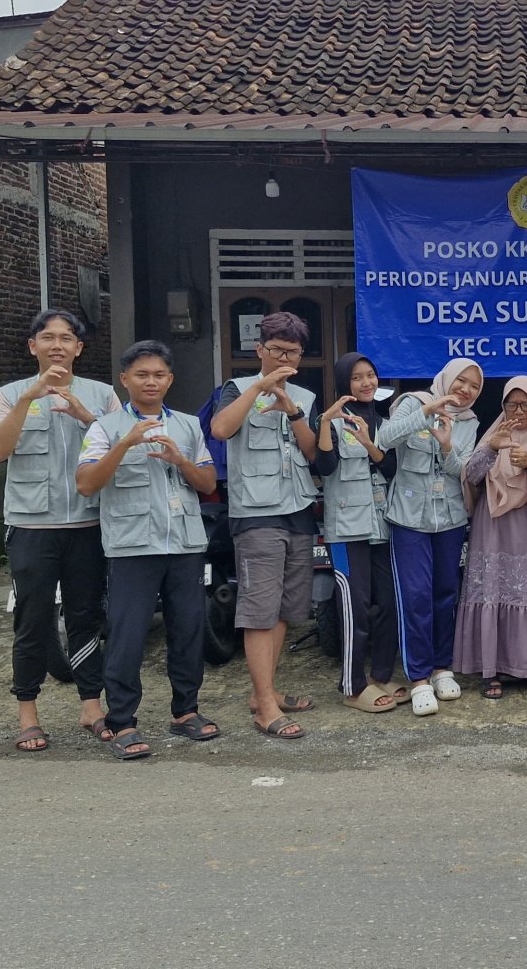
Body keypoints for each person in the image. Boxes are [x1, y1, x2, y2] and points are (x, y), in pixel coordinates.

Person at [0, 309, 123, 753]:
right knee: (33, 619)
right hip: (31, 525)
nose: (57, 345)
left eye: (66, 338)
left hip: (88, 522)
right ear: (33, 346)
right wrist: (29, 398)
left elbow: (122, 451)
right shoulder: (9, 395)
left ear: (79, 348)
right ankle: (28, 713)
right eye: (48, 337)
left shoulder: (102, 395)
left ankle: (91, 706)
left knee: (86, 616)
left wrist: (85, 416)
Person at [76, 340, 219, 760]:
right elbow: (86, 484)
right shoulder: (105, 428)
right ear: (125, 379)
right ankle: (122, 721)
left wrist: (181, 460)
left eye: (158, 374)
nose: (150, 381)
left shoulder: (188, 425)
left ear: (170, 379)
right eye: (141, 374)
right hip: (132, 546)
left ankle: (186, 711)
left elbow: (208, 483)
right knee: (128, 634)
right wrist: (125, 443)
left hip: (185, 543)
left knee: (189, 628)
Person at [207, 311, 320, 740]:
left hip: (298, 509)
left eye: (293, 352)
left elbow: (313, 453)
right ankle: (265, 707)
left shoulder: (306, 396)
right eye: (277, 350)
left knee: (287, 609)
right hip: (256, 512)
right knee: (259, 610)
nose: (285, 358)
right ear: (260, 349)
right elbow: (220, 429)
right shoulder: (236, 390)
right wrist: (260, 387)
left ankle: (264, 693)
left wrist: (293, 411)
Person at [375, 357, 483, 716]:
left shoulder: (470, 421)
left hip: (450, 518)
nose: (466, 390)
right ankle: (419, 678)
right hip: (410, 517)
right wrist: (426, 413)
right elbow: (384, 439)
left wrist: (448, 446)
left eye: (474, 386)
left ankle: (441, 668)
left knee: (445, 593)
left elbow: (464, 471)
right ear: (447, 379)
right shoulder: (413, 402)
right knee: (416, 596)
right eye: (461, 381)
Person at [456, 377, 527, 697]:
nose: (518, 411)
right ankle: (491, 670)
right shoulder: (493, 435)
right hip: (494, 527)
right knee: (493, 589)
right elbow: (470, 477)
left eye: (526, 405)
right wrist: (491, 449)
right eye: (511, 404)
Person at [313, 351, 399, 714]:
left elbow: (391, 468)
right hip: (347, 530)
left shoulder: (386, 423)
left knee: (388, 603)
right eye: (357, 377)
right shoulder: (331, 423)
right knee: (355, 607)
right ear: (344, 383)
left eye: (371, 375)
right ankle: (353, 685)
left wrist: (368, 443)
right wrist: (324, 423)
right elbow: (325, 468)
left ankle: (381, 675)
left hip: (382, 525)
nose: (367, 383)